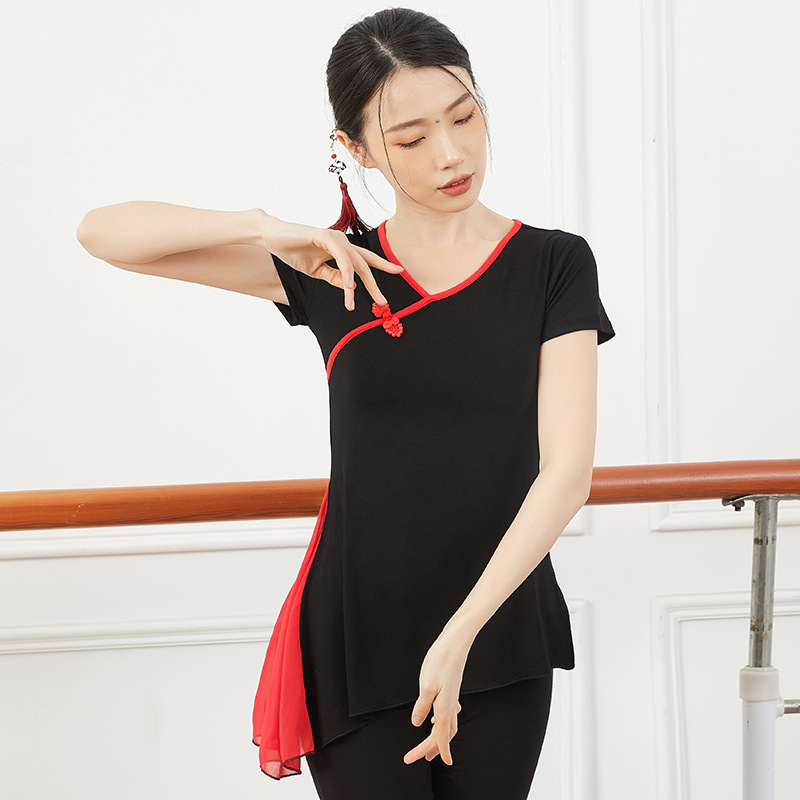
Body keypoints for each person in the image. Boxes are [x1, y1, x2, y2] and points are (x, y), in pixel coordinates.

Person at [76, 7, 614, 798]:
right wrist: (265, 227)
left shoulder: (554, 265)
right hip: (355, 636)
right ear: (355, 150)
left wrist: (459, 636)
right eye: (411, 138)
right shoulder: (333, 270)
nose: (452, 153)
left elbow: (566, 475)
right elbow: (102, 234)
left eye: (464, 117)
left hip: (497, 629)